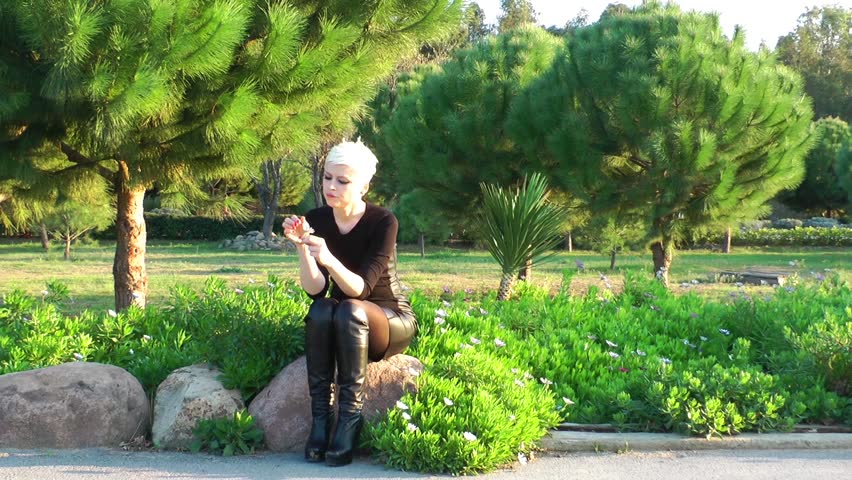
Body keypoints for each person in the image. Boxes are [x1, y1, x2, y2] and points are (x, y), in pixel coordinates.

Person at [282, 139, 417, 467]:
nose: (331, 186)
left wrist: (327, 256)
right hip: (344, 318)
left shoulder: (384, 222)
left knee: (349, 307)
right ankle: (321, 420)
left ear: (363, 186)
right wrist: (302, 247)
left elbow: (360, 288)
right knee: (322, 308)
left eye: (342, 181)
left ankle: (350, 419)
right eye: (327, 178)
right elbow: (316, 290)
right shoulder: (318, 218)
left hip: (388, 320)